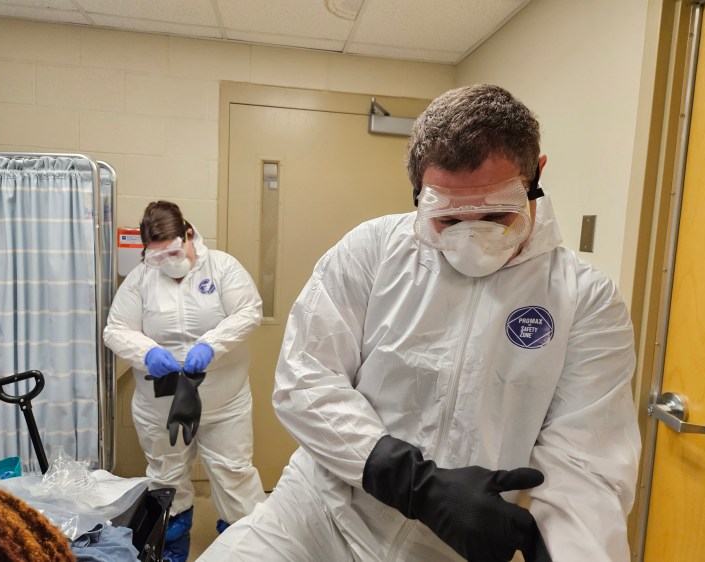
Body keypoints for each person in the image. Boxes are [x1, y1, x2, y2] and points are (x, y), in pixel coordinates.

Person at [199, 84, 641, 562]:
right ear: (418, 192)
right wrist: (415, 483)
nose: (473, 237)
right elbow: (305, 380)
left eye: (496, 213)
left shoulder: (585, 301)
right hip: (317, 512)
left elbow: (586, 468)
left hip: (446, 548)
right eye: (449, 218)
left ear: (537, 175)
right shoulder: (372, 251)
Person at [104, 201, 266, 562]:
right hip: (160, 405)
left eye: (174, 251)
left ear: (188, 234)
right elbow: (116, 329)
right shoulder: (142, 277)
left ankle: (245, 550)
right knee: (166, 478)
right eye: (157, 256)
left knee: (234, 475)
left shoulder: (223, 267)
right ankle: (170, 552)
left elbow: (249, 310)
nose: (167, 262)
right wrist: (146, 351)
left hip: (223, 403)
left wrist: (210, 345)